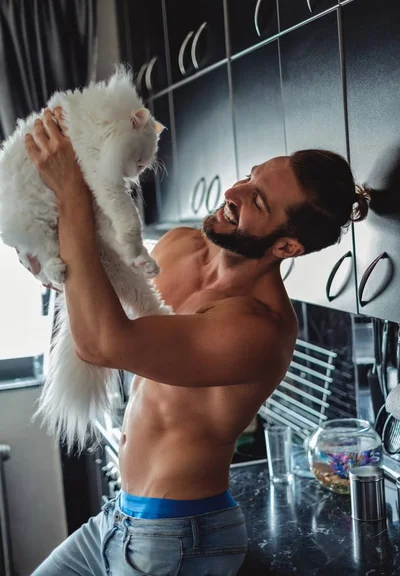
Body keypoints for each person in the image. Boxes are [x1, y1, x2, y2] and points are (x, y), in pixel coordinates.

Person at [26, 108, 369, 575]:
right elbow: (107, 312)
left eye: (259, 202)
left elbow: (103, 343)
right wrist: (58, 270)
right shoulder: (180, 246)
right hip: (117, 519)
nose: (233, 192)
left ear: (286, 247)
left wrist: (72, 198)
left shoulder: (258, 328)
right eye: (250, 177)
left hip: (177, 540)